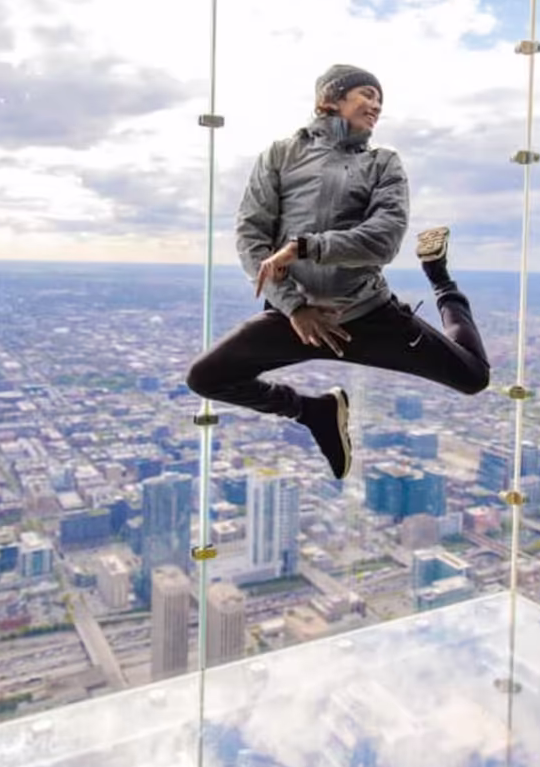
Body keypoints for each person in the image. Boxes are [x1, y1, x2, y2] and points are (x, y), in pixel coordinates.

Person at [186, 64, 490, 479]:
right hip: (297, 317)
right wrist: (294, 307)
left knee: (473, 377)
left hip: (369, 312)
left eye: (381, 100)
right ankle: (313, 410)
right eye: (367, 94)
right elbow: (250, 236)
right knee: (207, 377)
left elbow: (383, 239)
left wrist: (306, 247)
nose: (377, 105)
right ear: (329, 100)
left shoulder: (383, 163)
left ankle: (439, 277)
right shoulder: (280, 154)